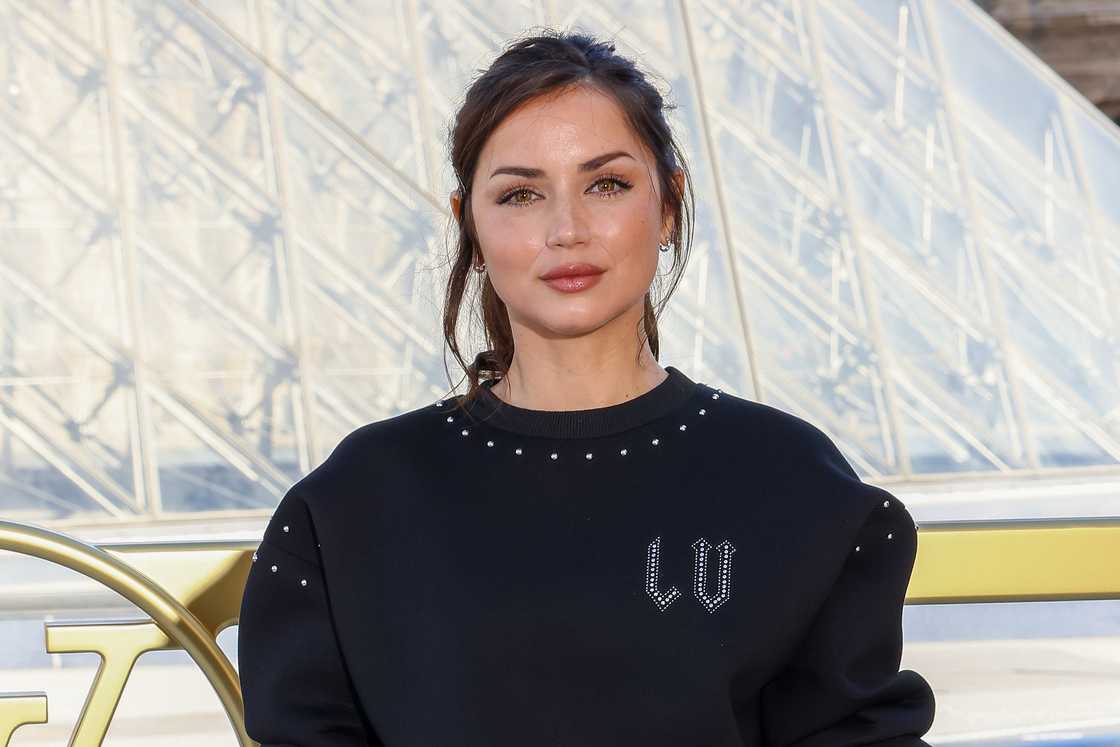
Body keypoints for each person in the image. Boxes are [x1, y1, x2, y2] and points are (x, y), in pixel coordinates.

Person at [237, 29, 936, 746]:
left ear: (668, 204)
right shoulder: (353, 504)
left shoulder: (792, 481)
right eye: (520, 194)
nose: (566, 230)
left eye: (605, 184)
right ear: (468, 226)